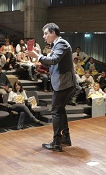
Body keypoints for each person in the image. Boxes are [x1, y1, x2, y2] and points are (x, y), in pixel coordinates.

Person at [28, 23, 77, 152]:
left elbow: (54, 60)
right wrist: (38, 55)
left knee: (55, 111)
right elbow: (50, 61)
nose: (44, 37)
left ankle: (56, 142)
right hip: (63, 84)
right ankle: (65, 138)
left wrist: (38, 56)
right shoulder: (56, 45)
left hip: (64, 84)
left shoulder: (61, 43)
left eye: (45, 33)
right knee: (60, 110)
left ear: (53, 33)